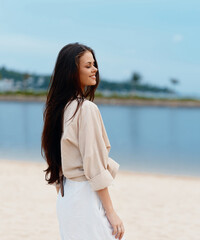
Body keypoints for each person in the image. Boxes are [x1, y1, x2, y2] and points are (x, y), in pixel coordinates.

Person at [41, 42, 126, 240]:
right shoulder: (85, 109)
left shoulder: (58, 109)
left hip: (66, 196)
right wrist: (111, 212)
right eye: (88, 66)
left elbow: (56, 159)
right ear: (72, 71)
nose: (95, 69)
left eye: (94, 64)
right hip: (85, 197)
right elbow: (94, 166)